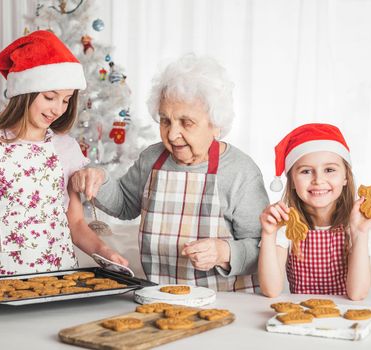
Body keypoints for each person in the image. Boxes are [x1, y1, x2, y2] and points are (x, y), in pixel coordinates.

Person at [0, 30, 127, 300]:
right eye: (50, 97)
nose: (58, 109)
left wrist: (106, 253)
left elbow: (75, 222)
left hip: (62, 281)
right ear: (25, 92)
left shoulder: (67, 149)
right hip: (5, 284)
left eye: (66, 100)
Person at [71, 54, 269, 292]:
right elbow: (124, 204)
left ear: (216, 124)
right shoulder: (152, 158)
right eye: (165, 121)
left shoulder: (240, 171)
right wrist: (100, 178)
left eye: (186, 123)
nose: (172, 134)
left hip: (226, 301)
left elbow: (263, 248)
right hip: (161, 295)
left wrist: (223, 252)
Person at [258, 123, 371, 300]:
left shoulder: (357, 221)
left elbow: (358, 293)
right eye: (306, 171)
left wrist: (359, 233)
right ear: (292, 182)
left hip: (344, 315)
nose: (318, 180)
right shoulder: (286, 224)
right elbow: (271, 290)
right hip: (302, 315)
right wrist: (268, 235)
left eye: (329, 170)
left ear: (346, 177)